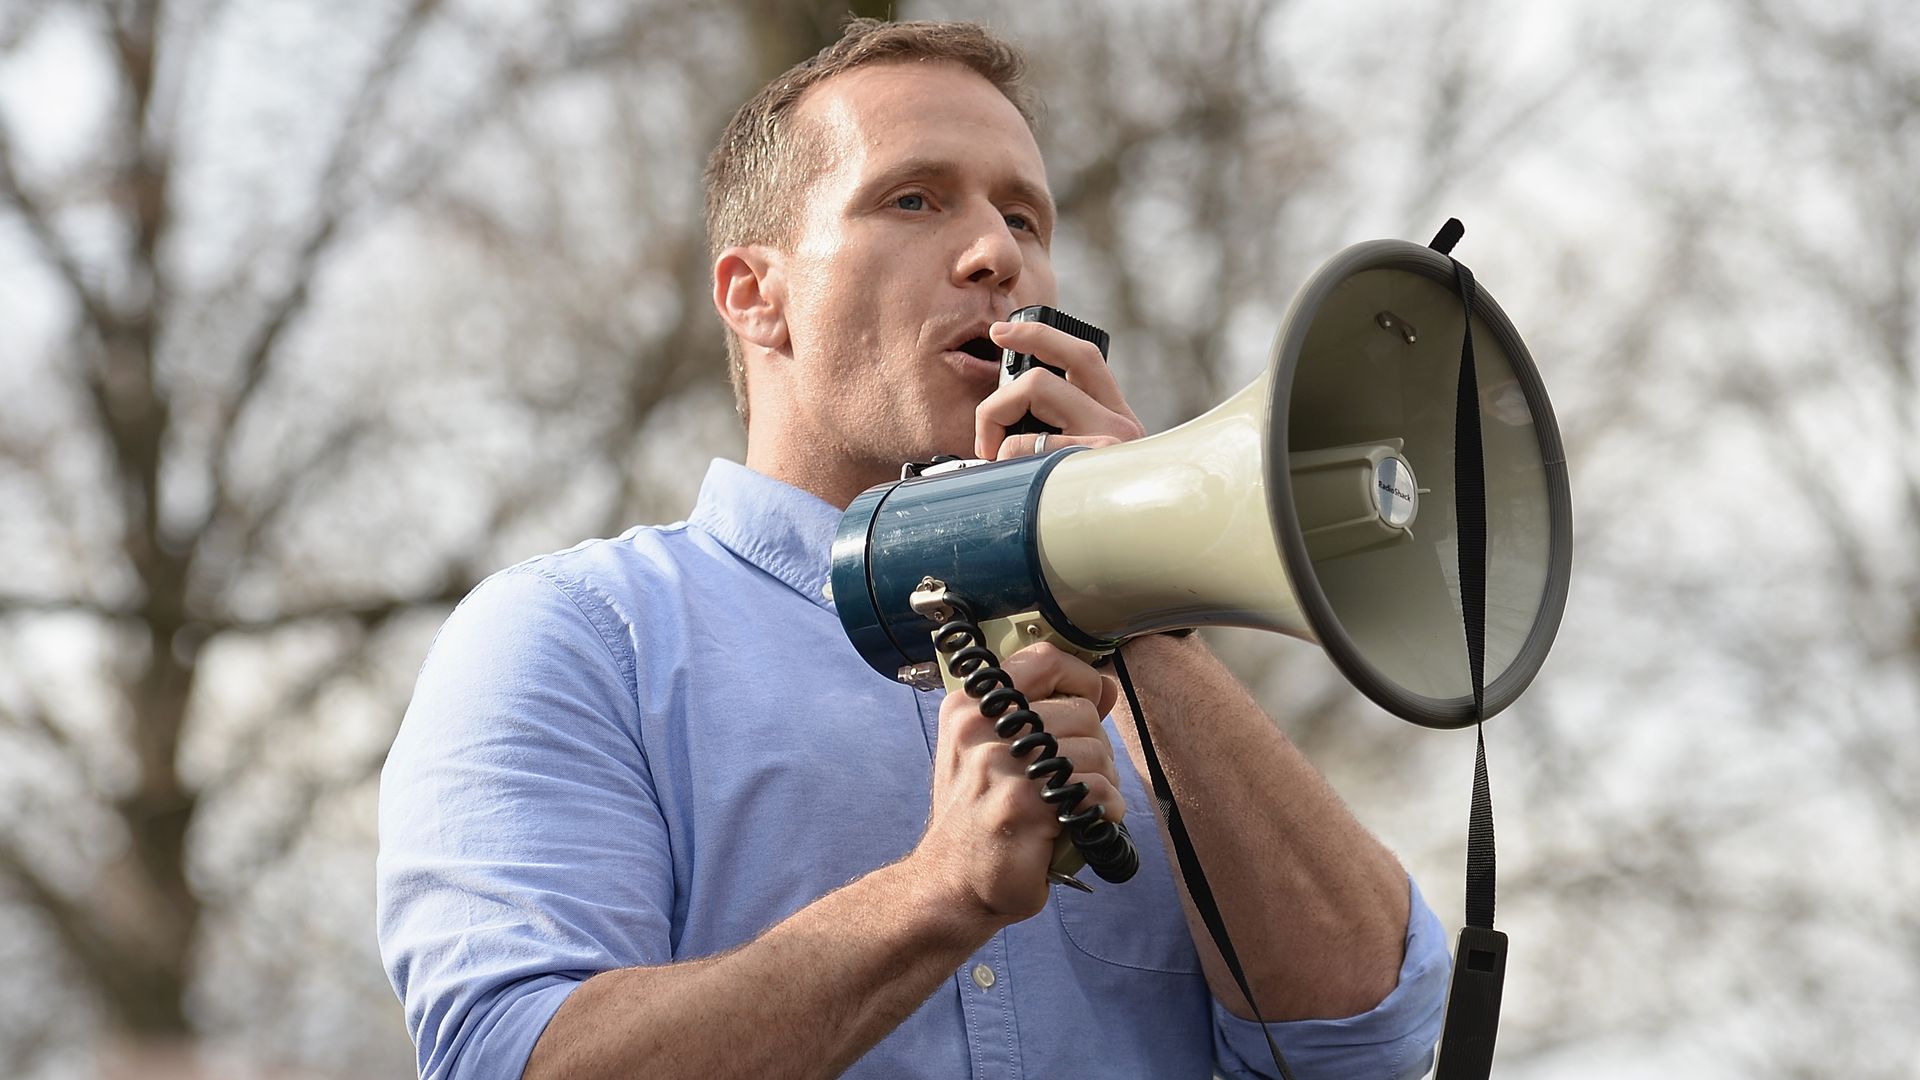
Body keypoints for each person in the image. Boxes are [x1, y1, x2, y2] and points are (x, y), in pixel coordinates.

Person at [378, 18, 1449, 1080]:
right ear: (756, 294)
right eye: (914, 200)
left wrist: (1128, 576)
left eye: (1023, 217)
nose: (998, 254)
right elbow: (512, 1062)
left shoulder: (1143, 674)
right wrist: (938, 892)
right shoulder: (577, 638)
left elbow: (1369, 1038)